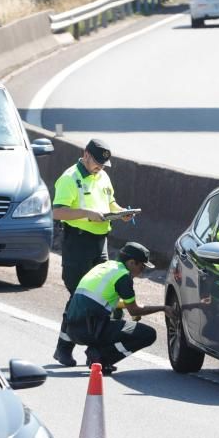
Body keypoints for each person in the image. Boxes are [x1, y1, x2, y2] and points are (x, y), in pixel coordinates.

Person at [51, 138, 137, 367]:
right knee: (80, 297)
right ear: (85, 155)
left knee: (107, 296)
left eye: (103, 164)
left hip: (100, 243)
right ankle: (64, 347)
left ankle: (96, 353)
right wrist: (85, 213)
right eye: (97, 162)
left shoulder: (103, 176)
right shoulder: (70, 178)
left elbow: (111, 204)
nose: (100, 167)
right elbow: (57, 212)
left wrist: (122, 213)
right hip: (78, 244)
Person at [64, 242, 168, 375]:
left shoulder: (105, 266)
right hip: (89, 331)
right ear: (131, 262)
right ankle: (101, 357)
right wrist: (163, 308)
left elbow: (103, 299)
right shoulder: (123, 277)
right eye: (141, 267)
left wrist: (128, 306)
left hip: (72, 329)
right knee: (148, 334)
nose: (141, 272)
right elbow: (134, 310)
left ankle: (97, 352)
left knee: (118, 316)